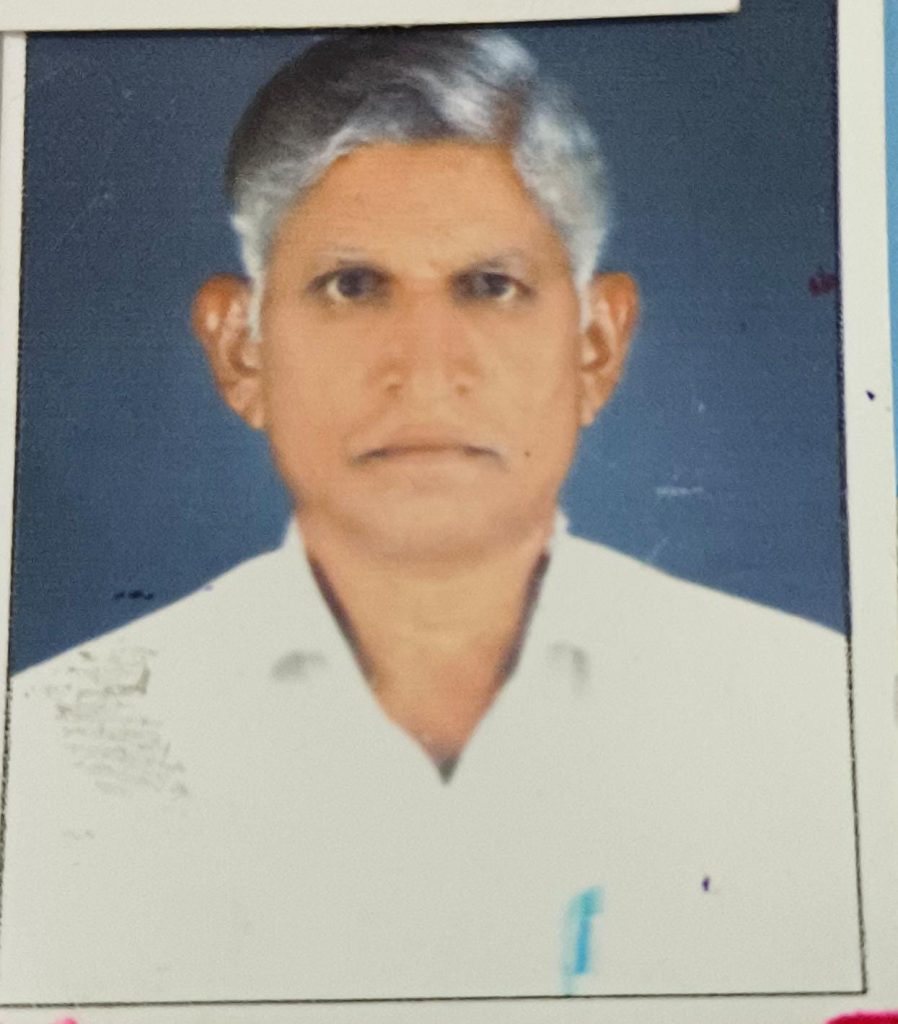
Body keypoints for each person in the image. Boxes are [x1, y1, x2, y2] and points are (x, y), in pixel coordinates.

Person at [0, 29, 860, 1003]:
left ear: (595, 342)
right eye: (352, 285)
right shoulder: (54, 750)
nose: (423, 368)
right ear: (241, 346)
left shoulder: (811, 726)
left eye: (490, 286)